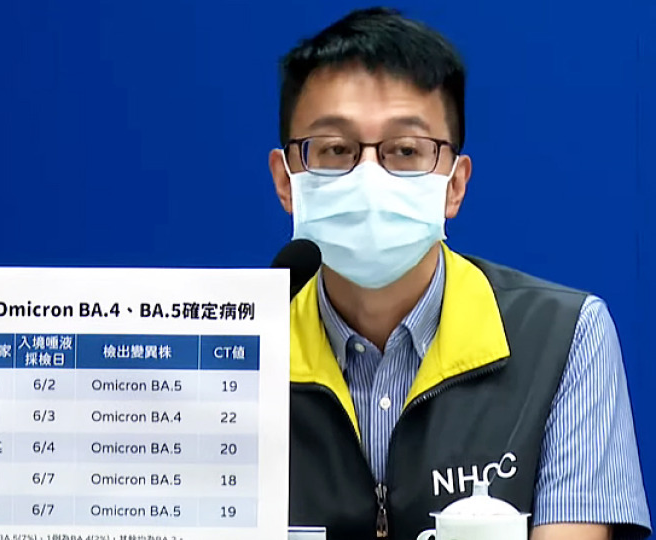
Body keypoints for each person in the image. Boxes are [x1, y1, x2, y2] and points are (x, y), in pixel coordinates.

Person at [267, 7, 651, 540]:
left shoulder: (564, 338)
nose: (369, 177)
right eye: (335, 149)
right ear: (286, 180)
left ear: (454, 185)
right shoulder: (231, 350)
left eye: (406, 150)